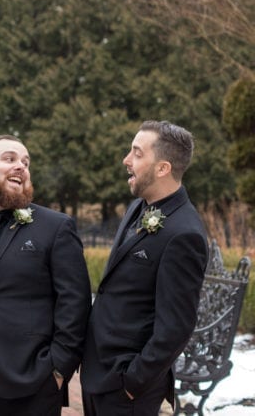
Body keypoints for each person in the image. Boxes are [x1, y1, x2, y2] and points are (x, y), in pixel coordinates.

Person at [0, 135, 92, 415]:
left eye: (25, 162)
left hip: (33, 381)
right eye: (9, 159)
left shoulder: (56, 227)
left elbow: (75, 303)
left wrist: (57, 369)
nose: (20, 166)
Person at [81, 120, 209, 416]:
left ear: (163, 168)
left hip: (126, 390)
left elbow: (176, 327)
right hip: (98, 374)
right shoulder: (139, 207)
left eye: (137, 153)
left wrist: (132, 382)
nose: (127, 160)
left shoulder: (184, 233)